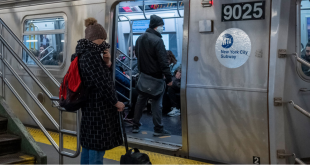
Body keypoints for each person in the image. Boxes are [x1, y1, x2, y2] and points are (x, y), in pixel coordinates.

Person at [72, 17, 125, 164]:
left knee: (88, 145)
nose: (104, 42)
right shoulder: (91, 56)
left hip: (89, 107)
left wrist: (107, 63)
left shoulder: (81, 54)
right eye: (103, 39)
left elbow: (97, 78)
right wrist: (116, 102)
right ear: (97, 39)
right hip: (98, 110)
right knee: (97, 145)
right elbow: (103, 83)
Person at [133, 15, 173, 136]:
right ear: (157, 27)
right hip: (156, 78)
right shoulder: (158, 40)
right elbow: (163, 61)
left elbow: (138, 55)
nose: (162, 28)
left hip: (143, 76)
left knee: (140, 101)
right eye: (162, 26)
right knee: (157, 104)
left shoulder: (139, 39)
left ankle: (135, 125)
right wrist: (169, 78)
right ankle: (158, 129)